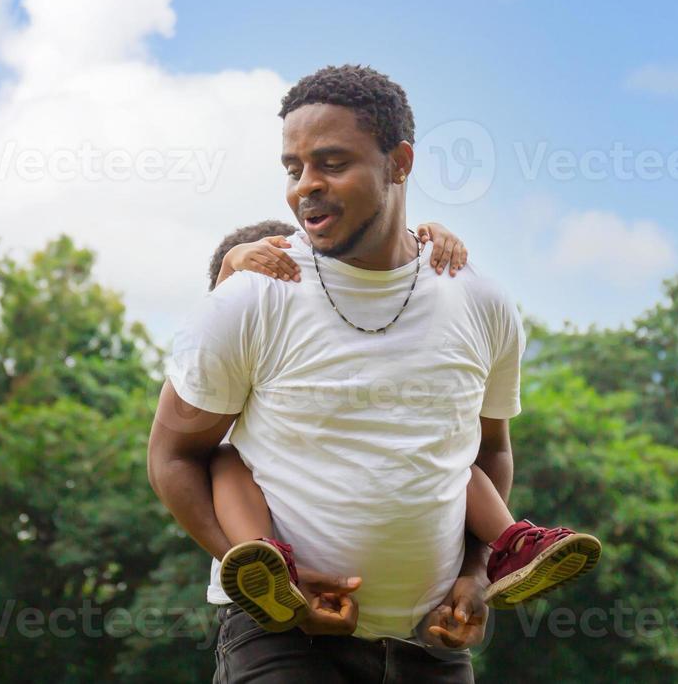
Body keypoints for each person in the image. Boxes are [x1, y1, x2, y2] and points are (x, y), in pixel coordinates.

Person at [147, 64, 595, 683]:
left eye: (331, 163)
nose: (305, 186)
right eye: (293, 168)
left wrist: (472, 575)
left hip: (432, 647)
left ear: (399, 162)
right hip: (282, 645)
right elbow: (172, 456)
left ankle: (521, 545)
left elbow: (487, 454)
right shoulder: (252, 298)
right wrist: (262, 582)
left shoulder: (480, 302)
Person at [204, 223, 599, 636]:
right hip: (262, 497)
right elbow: (214, 327)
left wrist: (429, 242)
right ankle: (265, 562)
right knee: (224, 459)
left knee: (449, 463)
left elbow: (381, 247)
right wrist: (232, 268)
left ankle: (513, 544)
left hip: (411, 612)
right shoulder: (238, 322)